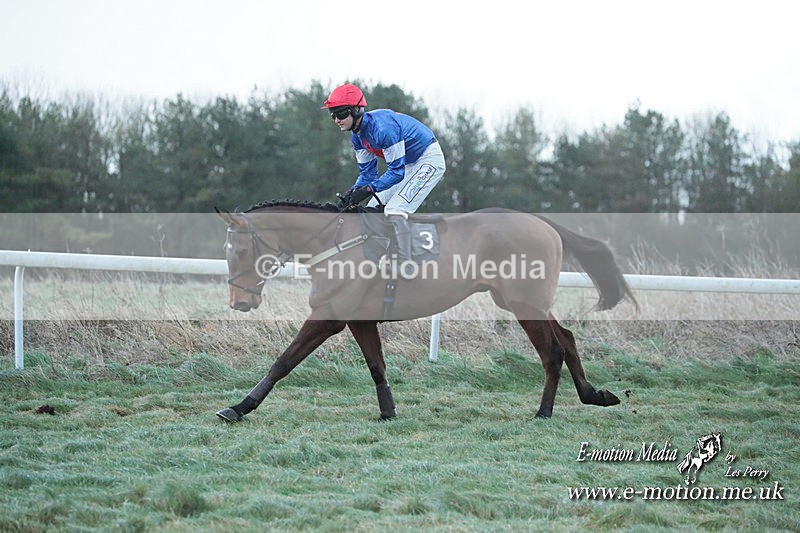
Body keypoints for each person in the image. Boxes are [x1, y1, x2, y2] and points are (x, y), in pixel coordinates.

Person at [322, 83, 446, 278]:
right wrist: (353, 193)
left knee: (394, 209)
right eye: (332, 114)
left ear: (356, 109)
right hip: (407, 164)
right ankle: (379, 258)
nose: (337, 119)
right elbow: (368, 176)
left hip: (428, 159)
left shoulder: (383, 129)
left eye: (341, 113)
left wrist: (369, 188)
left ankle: (406, 265)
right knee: (372, 208)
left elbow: (396, 173)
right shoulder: (357, 137)